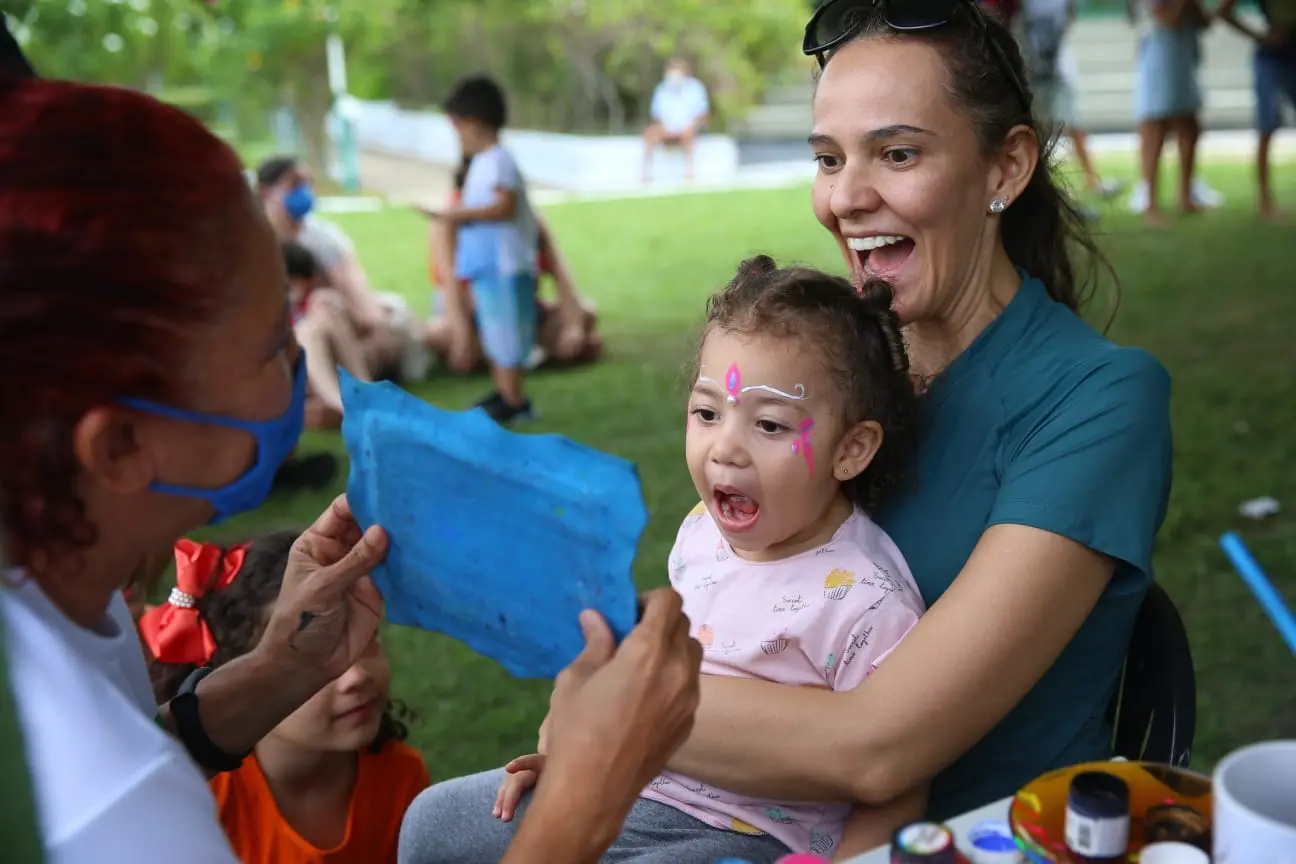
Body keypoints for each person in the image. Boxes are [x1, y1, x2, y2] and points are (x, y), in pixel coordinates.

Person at [0, 75, 703, 864]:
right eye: (273, 347)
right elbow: (123, 787)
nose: (301, 369)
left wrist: (275, 671)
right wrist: (586, 793)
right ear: (120, 447)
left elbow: (150, 742)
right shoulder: (101, 814)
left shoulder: (51, 598)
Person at [509, 0, 1169, 834]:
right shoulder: (830, 377)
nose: (845, 199)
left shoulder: (1101, 400)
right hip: (740, 815)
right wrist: (609, 764)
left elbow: (877, 746)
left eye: (897, 154)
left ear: (1006, 168)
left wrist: (611, 719)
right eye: (827, 158)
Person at [400, 259, 931, 864]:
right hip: (628, 787)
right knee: (432, 824)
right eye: (707, 413)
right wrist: (571, 764)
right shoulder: (701, 530)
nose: (725, 447)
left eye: (769, 424)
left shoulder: (867, 599)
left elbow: (894, 785)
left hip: (744, 838)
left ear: (851, 448)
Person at [146, 532, 430, 863]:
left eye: (365, 640)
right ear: (240, 677)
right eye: (313, 657)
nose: (355, 676)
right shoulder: (198, 799)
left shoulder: (400, 778)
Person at [257, 156, 426, 397]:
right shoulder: (253, 247)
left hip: (330, 327)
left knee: (361, 324)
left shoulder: (325, 239)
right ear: (266, 193)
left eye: (308, 183)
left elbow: (356, 294)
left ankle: (340, 393)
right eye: (294, 184)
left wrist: (373, 325)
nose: (305, 192)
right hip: (285, 339)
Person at [422, 156, 603, 375]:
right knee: (437, 336)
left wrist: (573, 326)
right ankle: (514, 353)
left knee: (585, 313)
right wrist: (463, 336)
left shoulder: (525, 219)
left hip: (522, 311)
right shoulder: (449, 224)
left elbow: (562, 275)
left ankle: (511, 353)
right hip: (472, 315)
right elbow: (452, 290)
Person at [440, 76, 541, 424]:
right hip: (487, 266)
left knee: (509, 333)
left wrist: (455, 215)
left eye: (457, 124)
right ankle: (503, 393)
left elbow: (504, 206)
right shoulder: (479, 164)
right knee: (495, 333)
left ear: (475, 121)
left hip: (506, 266)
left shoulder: (499, 160)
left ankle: (514, 399)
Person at [1020, 0, 1125, 207]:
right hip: (1033, 66)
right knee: (1038, 127)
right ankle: (1040, 186)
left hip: (1058, 68)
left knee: (1072, 123)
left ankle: (1090, 180)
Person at [1126, 0, 1213, 224]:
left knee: (1190, 129)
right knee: (1155, 133)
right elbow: (1167, 19)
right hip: (1159, 61)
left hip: (1182, 60)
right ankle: (1151, 205)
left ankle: (1185, 197)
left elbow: (1203, 22)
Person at [1216, 0, 1296, 220]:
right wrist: (1262, 37)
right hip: (1275, 55)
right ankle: (1265, 202)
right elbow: (1223, 11)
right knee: (1267, 124)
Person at [283, 240, 372, 430]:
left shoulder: (319, 302)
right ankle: (342, 404)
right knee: (307, 331)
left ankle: (359, 396)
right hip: (302, 375)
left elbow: (361, 327)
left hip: (331, 365)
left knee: (320, 314)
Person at [643, 59, 710, 183]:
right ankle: (646, 174)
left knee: (689, 133)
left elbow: (702, 114)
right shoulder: (661, 89)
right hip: (667, 128)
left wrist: (690, 127)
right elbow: (656, 115)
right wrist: (664, 128)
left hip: (688, 128)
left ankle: (689, 174)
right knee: (650, 133)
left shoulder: (695, 88)